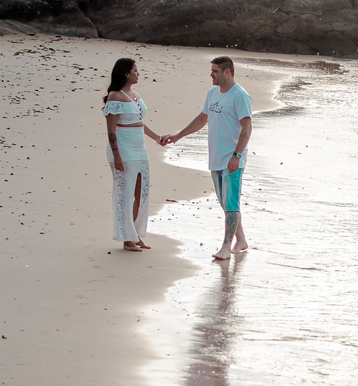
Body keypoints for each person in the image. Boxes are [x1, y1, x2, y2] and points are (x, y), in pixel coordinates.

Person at [162, 57, 252, 260]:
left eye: (215, 71)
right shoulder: (212, 93)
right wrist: (178, 135)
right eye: (211, 70)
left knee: (230, 203)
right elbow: (203, 118)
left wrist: (237, 155)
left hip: (232, 159)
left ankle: (226, 247)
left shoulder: (240, 96)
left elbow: (247, 128)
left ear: (227, 72)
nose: (211, 74)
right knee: (225, 203)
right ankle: (242, 240)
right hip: (216, 157)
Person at [104, 58, 163, 251]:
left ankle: (135, 234)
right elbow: (111, 131)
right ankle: (126, 239)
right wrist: (117, 156)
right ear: (125, 73)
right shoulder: (115, 96)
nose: (138, 73)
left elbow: (138, 122)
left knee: (142, 193)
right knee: (126, 194)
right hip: (124, 149)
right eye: (135, 70)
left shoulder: (134, 93)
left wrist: (157, 137)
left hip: (140, 149)